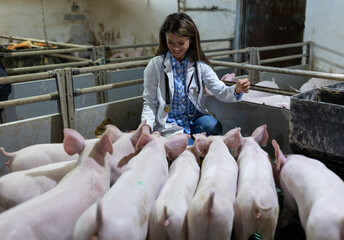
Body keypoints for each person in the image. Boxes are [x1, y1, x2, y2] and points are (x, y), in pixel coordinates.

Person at [141, 12, 250, 145]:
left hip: (194, 120)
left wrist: (237, 90)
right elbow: (150, 103)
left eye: (181, 43)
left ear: (191, 40)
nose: (175, 48)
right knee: (187, 151)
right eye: (170, 42)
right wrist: (146, 127)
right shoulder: (155, 65)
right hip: (170, 124)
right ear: (165, 40)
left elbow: (220, 90)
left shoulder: (200, 65)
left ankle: (193, 142)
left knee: (213, 126)